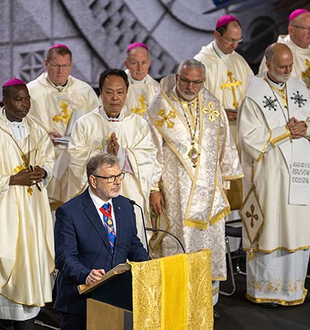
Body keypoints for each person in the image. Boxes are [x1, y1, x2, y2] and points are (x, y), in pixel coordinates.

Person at [147, 58, 243, 312]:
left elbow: (224, 143)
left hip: (209, 191)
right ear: (177, 78)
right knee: (179, 243)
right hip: (174, 192)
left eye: (196, 82)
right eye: (186, 80)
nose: (191, 86)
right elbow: (152, 152)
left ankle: (205, 304)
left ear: (203, 81)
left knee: (207, 246)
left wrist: (225, 179)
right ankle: (178, 304)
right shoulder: (159, 108)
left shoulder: (212, 103)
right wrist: (153, 188)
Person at [239, 43, 310, 306]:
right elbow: (249, 139)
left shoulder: (300, 88)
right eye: (282, 66)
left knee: (297, 226)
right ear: (267, 64)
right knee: (274, 226)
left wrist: (307, 128)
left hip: (300, 171)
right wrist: (285, 131)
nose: (288, 70)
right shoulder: (254, 95)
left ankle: (294, 288)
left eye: (290, 66)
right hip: (271, 173)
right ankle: (267, 290)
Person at [54, 153, 149, 330]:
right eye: (110, 177)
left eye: (119, 176)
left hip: (117, 298)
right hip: (81, 301)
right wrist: (86, 274)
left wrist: (149, 267)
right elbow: (64, 258)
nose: (118, 182)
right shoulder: (69, 212)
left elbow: (132, 244)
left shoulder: (126, 206)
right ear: (93, 180)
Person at [67, 69, 157, 246]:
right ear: (100, 93)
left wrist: (121, 154)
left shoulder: (139, 124)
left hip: (129, 193)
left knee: (131, 248)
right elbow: (75, 159)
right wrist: (103, 153)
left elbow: (149, 158)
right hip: (96, 199)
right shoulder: (84, 124)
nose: (115, 98)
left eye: (120, 92)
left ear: (126, 92)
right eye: (109, 92)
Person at [0, 78, 55, 329]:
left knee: (29, 260)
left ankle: (28, 317)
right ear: (5, 100)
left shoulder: (36, 129)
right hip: (5, 210)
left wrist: (43, 172)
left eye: (28, 99)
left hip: (33, 211)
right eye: (19, 99)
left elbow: (50, 158)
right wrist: (11, 179)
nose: (25, 105)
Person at [27, 44, 100, 204]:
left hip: (77, 163)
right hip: (45, 160)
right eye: (56, 66)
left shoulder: (84, 91)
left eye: (65, 66)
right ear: (46, 64)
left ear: (71, 64)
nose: (61, 71)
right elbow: (21, 127)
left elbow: (98, 125)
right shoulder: (31, 92)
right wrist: (44, 136)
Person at [194, 15, 253, 209]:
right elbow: (192, 101)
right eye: (230, 40)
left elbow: (253, 94)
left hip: (240, 133)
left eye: (238, 40)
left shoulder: (240, 62)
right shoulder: (201, 63)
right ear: (217, 35)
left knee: (242, 189)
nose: (235, 45)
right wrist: (219, 113)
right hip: (215, 135)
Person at [124, 42, 159, 117]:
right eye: (134, 63)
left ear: (149, 63)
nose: (140, 68)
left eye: (144, 63)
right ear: (126, 64)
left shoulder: (157, 89)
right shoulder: (115, 86)